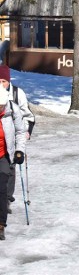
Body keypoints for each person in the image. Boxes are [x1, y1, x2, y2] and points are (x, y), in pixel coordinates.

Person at [0, 66, 34, 216]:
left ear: (9, 81)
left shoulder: (17, 93)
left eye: (4, 81)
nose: (1, 84)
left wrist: (25, 131)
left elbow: (28, 116)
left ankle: (6, 199)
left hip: (13, 137)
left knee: (10, 169)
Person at [0, 85, 27, 241]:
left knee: (2, 190)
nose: (0, 109)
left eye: (1, 106)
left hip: (4, 155)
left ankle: (1, 225)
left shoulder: (13, 110)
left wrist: (19, 150)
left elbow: (20, 131)